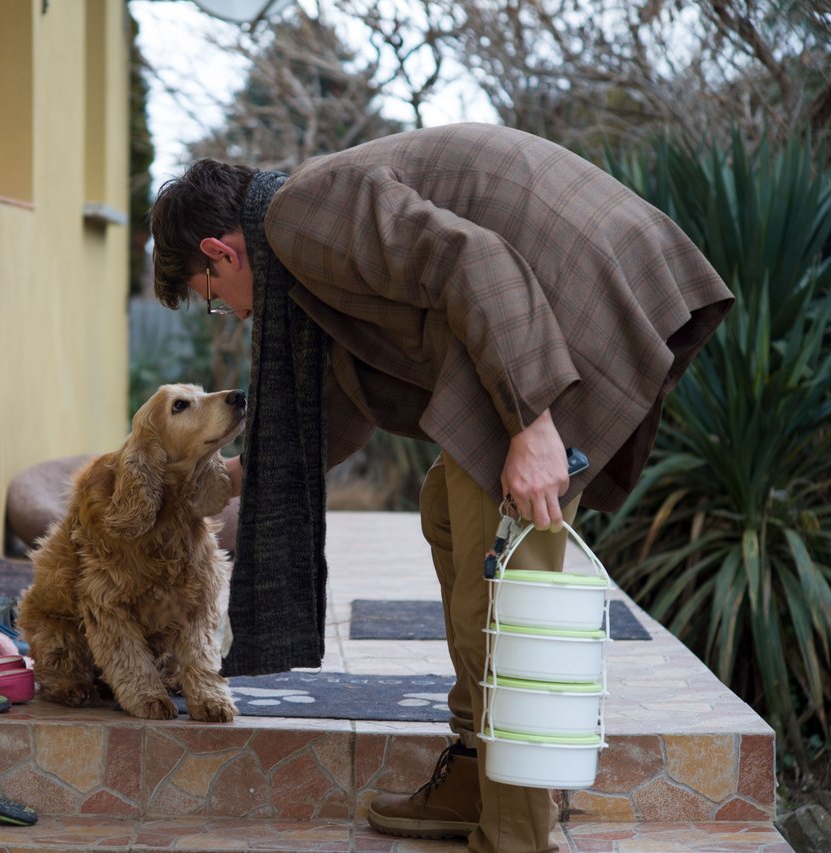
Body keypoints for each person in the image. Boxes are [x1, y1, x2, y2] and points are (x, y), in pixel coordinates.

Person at [148, 123, 732, 853]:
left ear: (219, 252)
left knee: (502, 588)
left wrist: (531, 423)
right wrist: (240, 476)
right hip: (556, 302)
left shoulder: (300, 216)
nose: (235, 313)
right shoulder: (300, 228)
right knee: (445, 509)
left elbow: (476, 261)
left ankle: (517, 835)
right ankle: (473, 772)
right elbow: (351, 393)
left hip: (568, 302)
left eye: (214, 296)